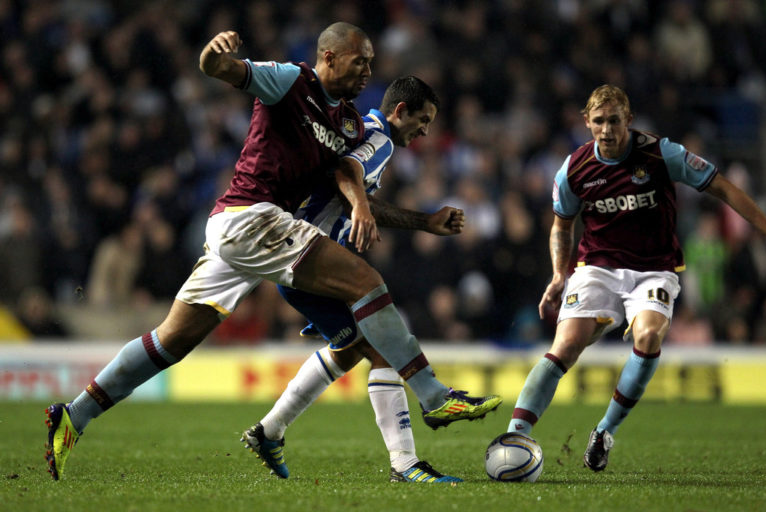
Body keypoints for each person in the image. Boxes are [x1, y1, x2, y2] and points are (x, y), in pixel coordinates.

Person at [44, 23, 501, 481]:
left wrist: (410, 218)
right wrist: (214, 54)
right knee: (369, 287)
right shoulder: (290, 80)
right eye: (359, 60)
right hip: (251, 216)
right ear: (329, 57)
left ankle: (75, 415)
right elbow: (220, 69)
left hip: (251, 231)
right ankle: (435, 399)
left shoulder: (349, 122)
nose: (367, 71)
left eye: (371, 63)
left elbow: (344, 171)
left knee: (172, 340)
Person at [507, 84, 766, 472]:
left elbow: (724, 187)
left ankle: (605, 431)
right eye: (599, 121)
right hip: (596, 267)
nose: (607, 130)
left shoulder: (662, 153)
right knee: (566, 344)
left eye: (614, 121)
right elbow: (562, 225)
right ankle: (516, 434)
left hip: (654, 268)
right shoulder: (574, 169)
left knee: (648, 335)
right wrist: (560, 274)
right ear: (587, 122)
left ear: (629, 120)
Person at [250, 76, 468, 483]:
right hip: (308, 254)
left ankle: (269, 430)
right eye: (422, 120)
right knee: (383, 346)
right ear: (400, 111)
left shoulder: (359, 128)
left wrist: (421, 221)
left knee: (349, 349)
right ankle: (405, 463)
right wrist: (363, 212)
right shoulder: (381, 140)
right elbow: (346, 172)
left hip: (304, 252)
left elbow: (347, 187)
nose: (425, 131)